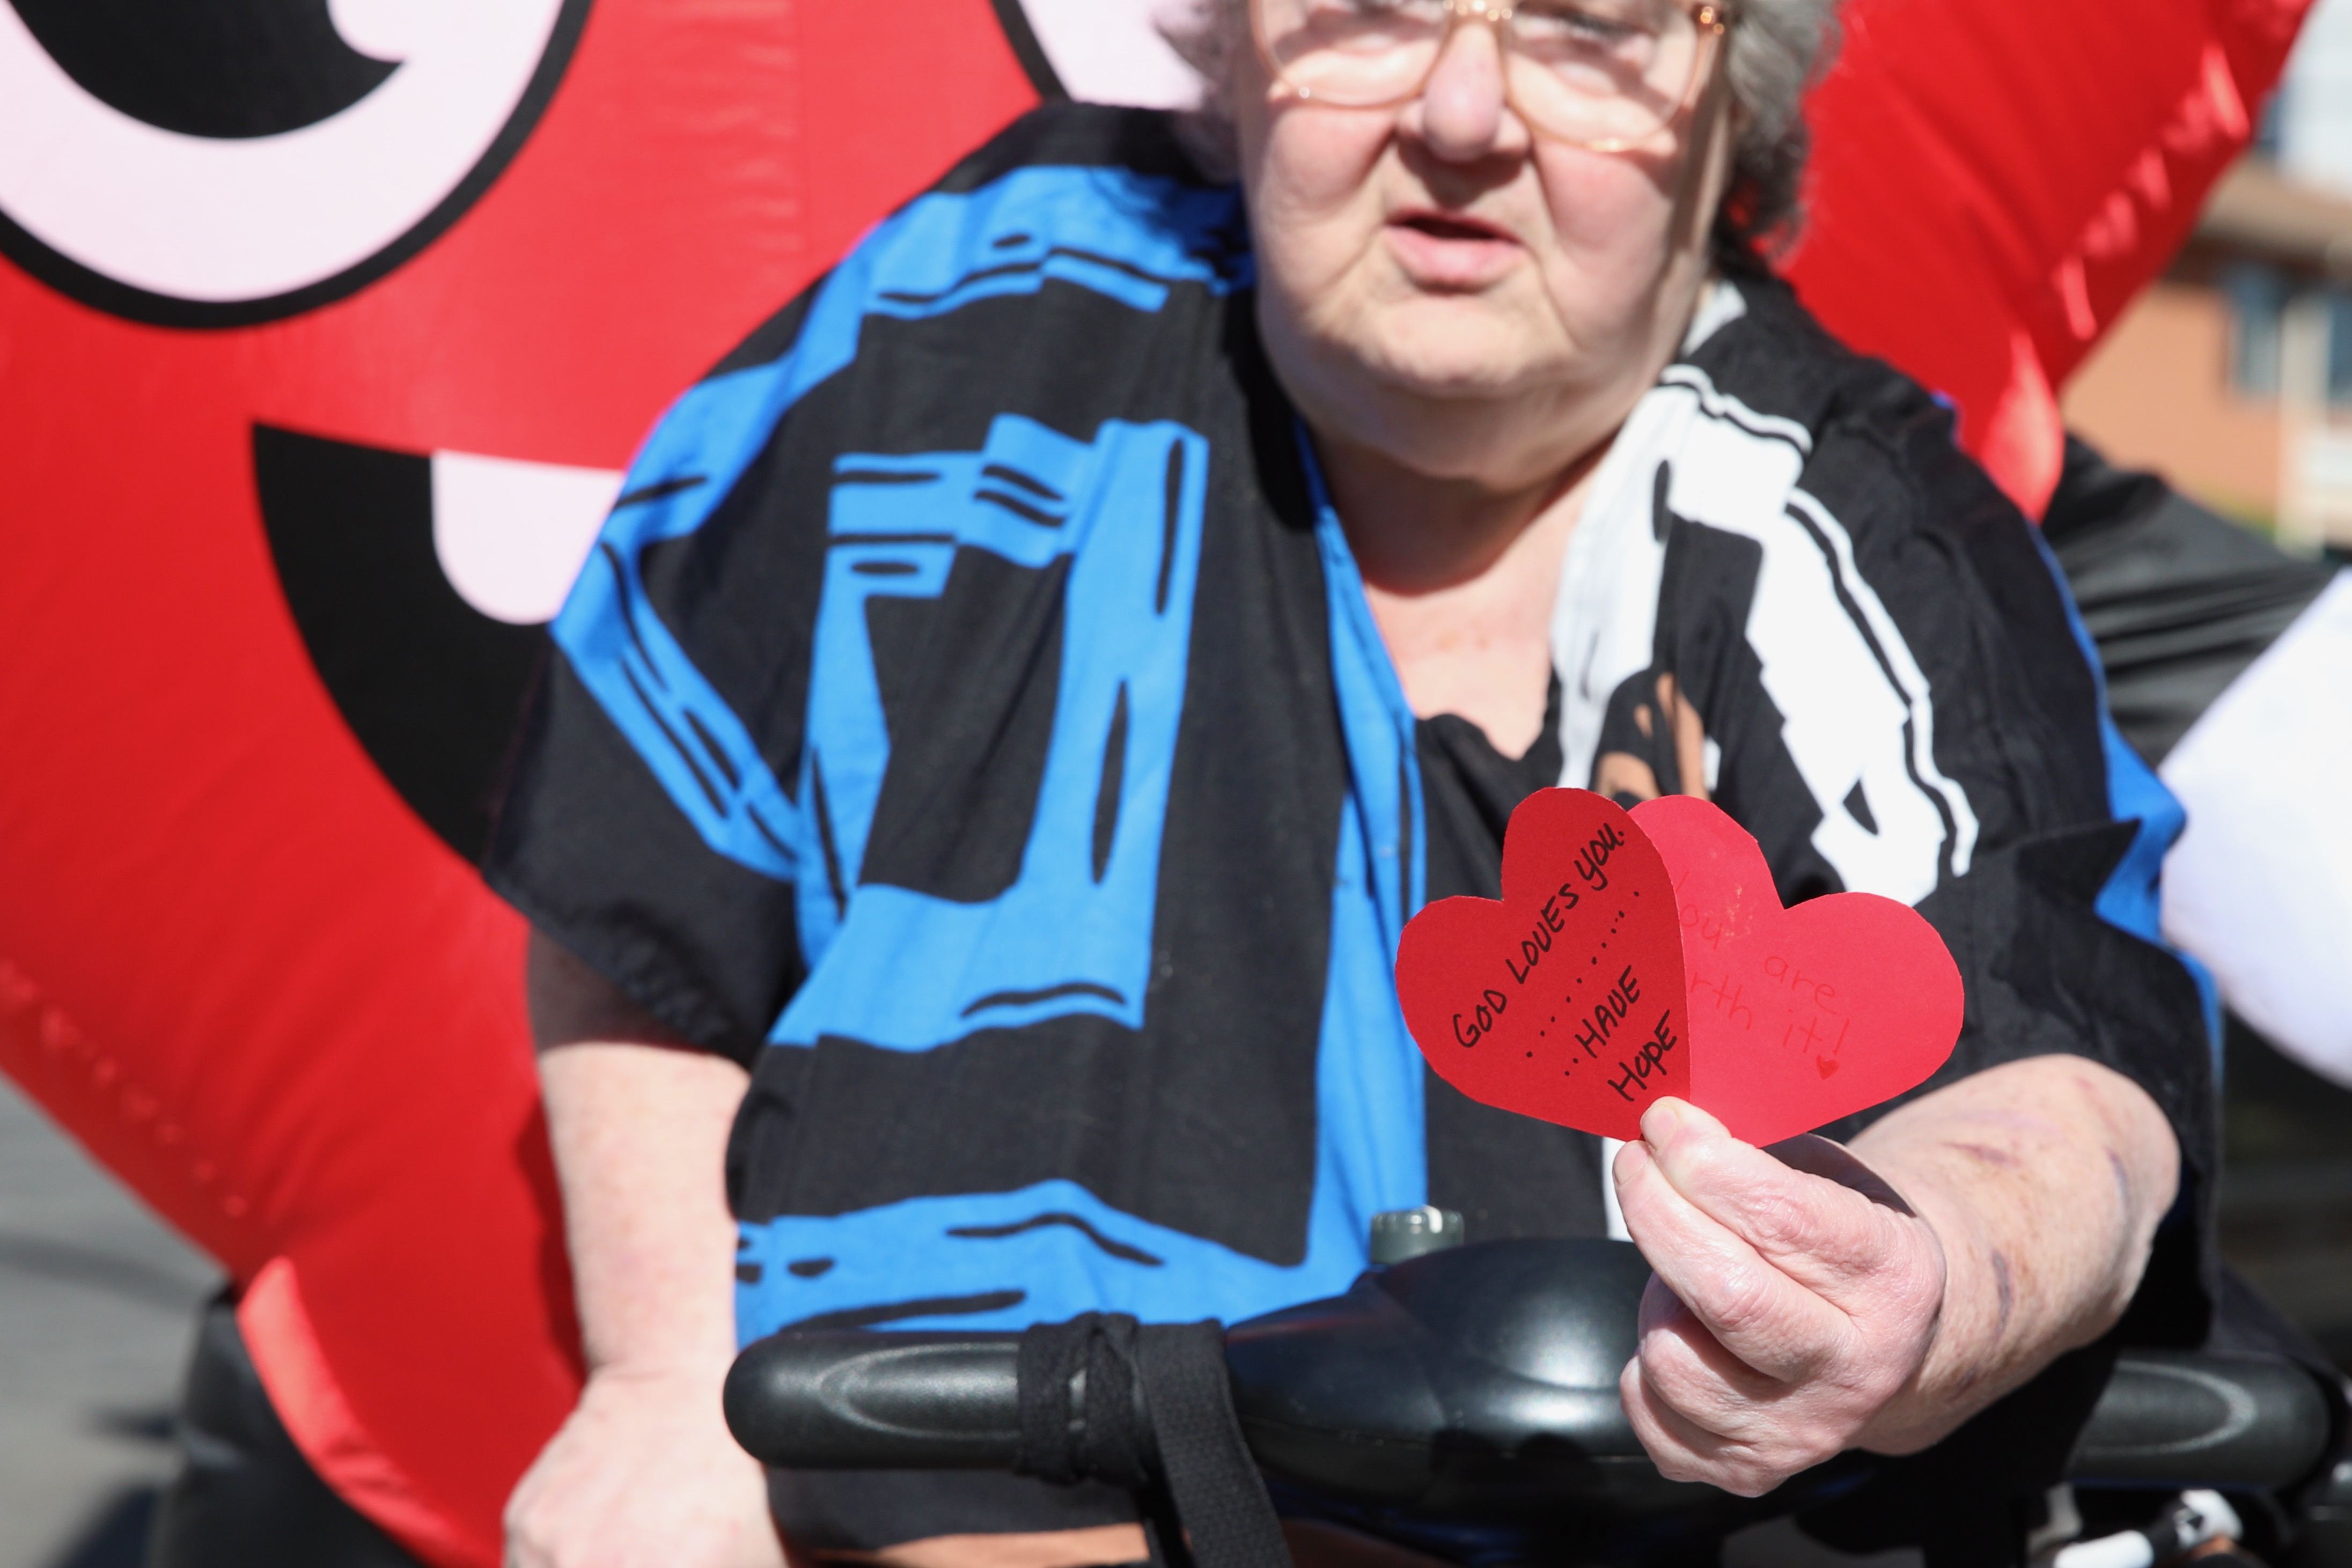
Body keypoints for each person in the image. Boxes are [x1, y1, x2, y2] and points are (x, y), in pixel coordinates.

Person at [483, 0, 2215, 1562]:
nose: (1463, 110)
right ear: (1233, 50)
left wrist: (1932, 1277)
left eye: (1587, 25)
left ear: (1725, 92)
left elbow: (2063, 1054)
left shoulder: (1833, 528)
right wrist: (659, 1375)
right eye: (1366, 9)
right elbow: (658, 843)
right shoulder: (986, 313)